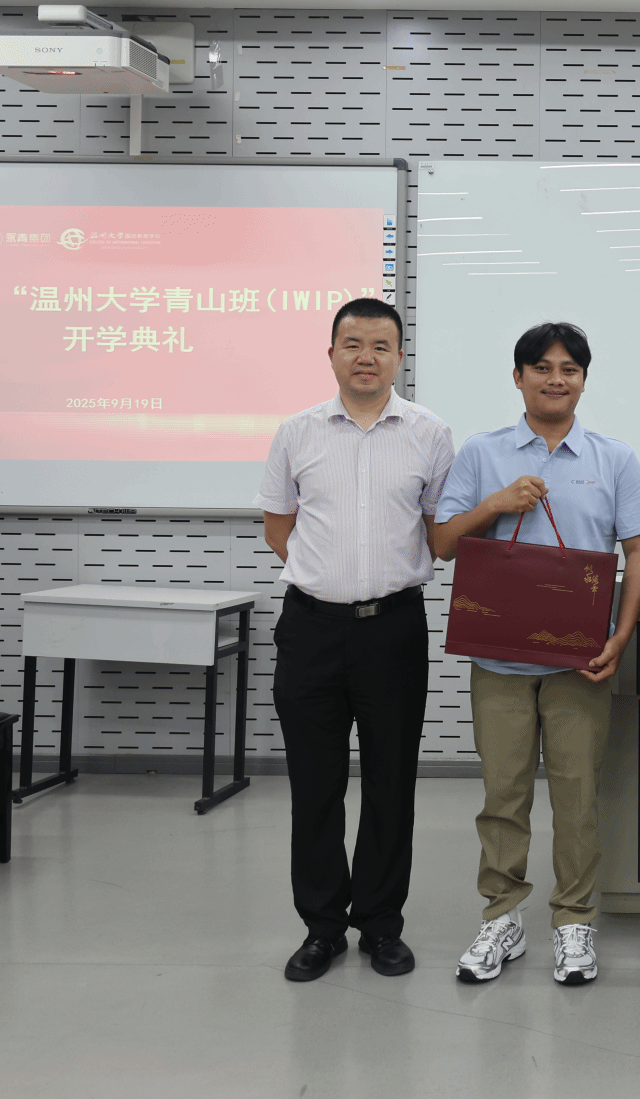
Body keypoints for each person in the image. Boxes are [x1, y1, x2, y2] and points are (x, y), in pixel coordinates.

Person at [430, 321, 640, 987]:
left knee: (577, 796)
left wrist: (621, 634)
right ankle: (501, 916)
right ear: (518, 376)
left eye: (569, 369)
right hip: (499, 660)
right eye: (542, 367)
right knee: (503, 796)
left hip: (581, 661)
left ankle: (573, 920)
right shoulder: (482, 453)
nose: (555, 379)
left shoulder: (614, 458)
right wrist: (497, 504)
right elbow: (443, 542)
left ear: (583, 380)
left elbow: (639, 548)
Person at [256, 297, 455, 983]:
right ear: (332, 353)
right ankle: (321, 927)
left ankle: (380, 923)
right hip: (310, 628)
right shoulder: (297, 432)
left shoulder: (430, 433)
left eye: (380, 345)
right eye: (352, 344)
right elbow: (278, 526)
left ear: (399, 356)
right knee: (314, 786)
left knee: (390, 782)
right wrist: (327, 579)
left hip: (393, 629)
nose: (366, 357)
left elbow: (438, 530)